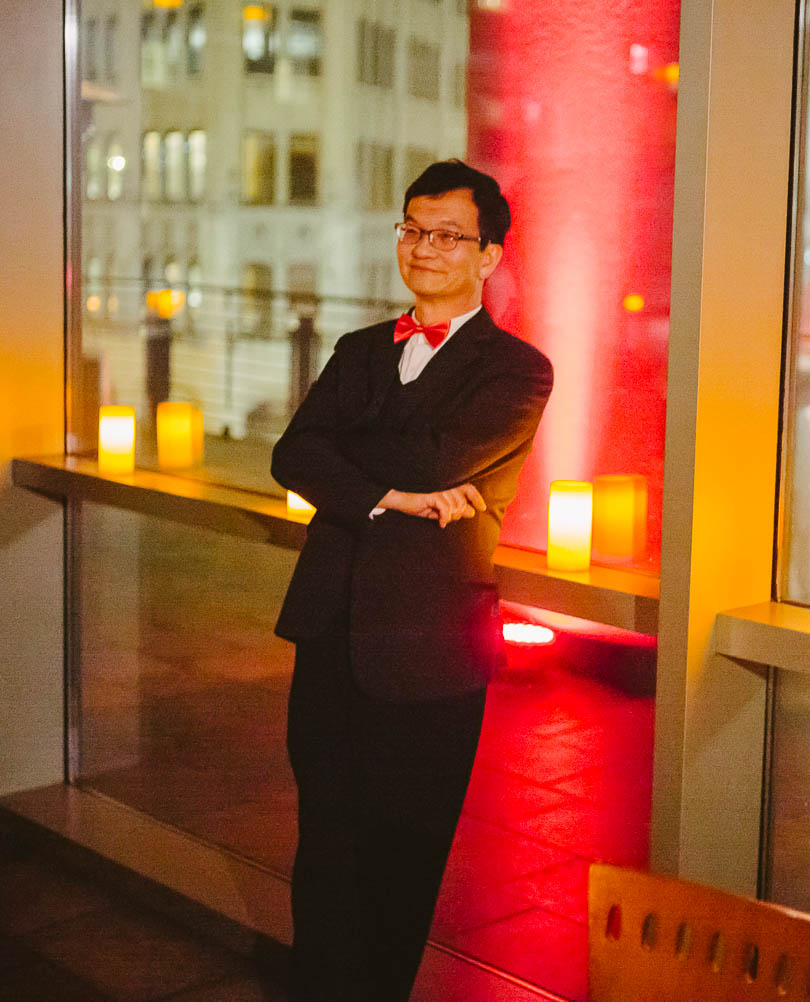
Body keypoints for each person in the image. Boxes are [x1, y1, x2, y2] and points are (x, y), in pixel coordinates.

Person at [270, 159, 553, 1001]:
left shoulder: (518, 370)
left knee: (402, 858)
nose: (424, 247)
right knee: (322, 845)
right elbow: (290, 454)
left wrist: (350, 463)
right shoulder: (361, 349)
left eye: (447, 234)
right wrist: (395, 493)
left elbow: (436, 457)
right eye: (413, 229)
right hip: (327, 631)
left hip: (431, 648)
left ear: (489, 256)